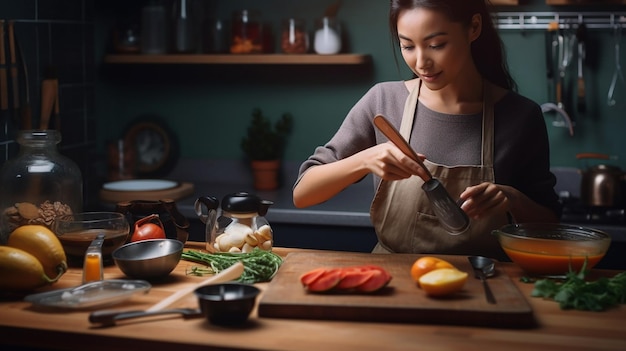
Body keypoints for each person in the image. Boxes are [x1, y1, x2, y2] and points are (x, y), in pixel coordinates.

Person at [292, 0, 562, 260]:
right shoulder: (383, 101)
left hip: (486, 287)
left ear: (474, 28)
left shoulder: (521, 116)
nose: (421, 62)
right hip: (394, 286)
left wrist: (511, 198)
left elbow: (550, 225)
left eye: (436, 45)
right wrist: (365, 160)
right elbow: (303, 193)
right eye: (407, 46)